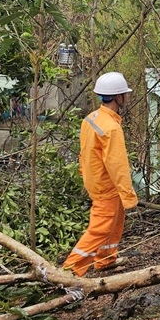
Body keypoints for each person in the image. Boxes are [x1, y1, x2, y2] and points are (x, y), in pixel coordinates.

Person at [63, 72, 139, 276]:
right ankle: (69, 271)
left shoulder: (91, 119)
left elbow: (84, 154)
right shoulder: (111, 128)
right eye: (124, 94)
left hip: (97, 183)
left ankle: (105, 259)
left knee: (114, 225)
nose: (126, 97)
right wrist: (129, 197)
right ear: (118, 97)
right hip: (107, 187)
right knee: (100, 230)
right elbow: (118, 166)